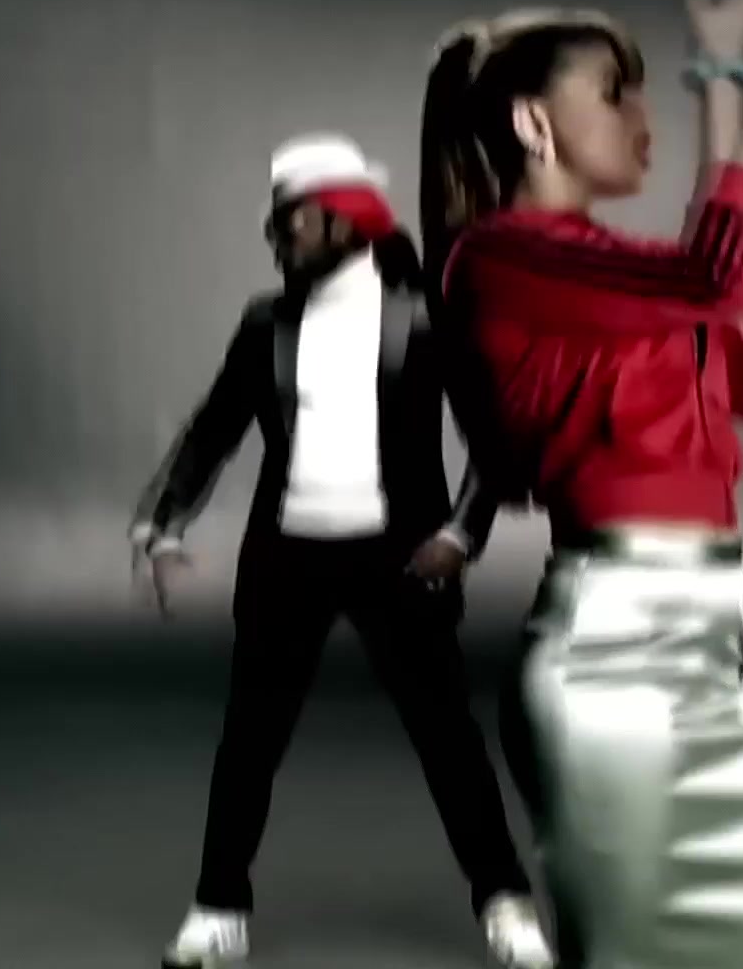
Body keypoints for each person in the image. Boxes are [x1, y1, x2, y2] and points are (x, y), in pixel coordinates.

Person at [416, 0, 743, 968]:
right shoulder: (498, 259)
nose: (646, 121)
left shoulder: (627, 274)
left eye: (650, 94)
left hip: (706, 655)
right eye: (617, 95)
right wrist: (740, 78)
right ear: (532, 123)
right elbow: (711, 275)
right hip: (610, 668)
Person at [129, 133, 553, 969]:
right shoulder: (266, 324)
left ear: (344, 219)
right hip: (286, 559)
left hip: (400, 560)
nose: (276, 237)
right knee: (250, 739)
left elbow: (495, 442)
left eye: (290, 220)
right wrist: (162, 525)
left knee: (447, 739)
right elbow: (213, 431)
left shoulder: (426, 319)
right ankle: (218, 907)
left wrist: (458, 535)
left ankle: (504, 900)